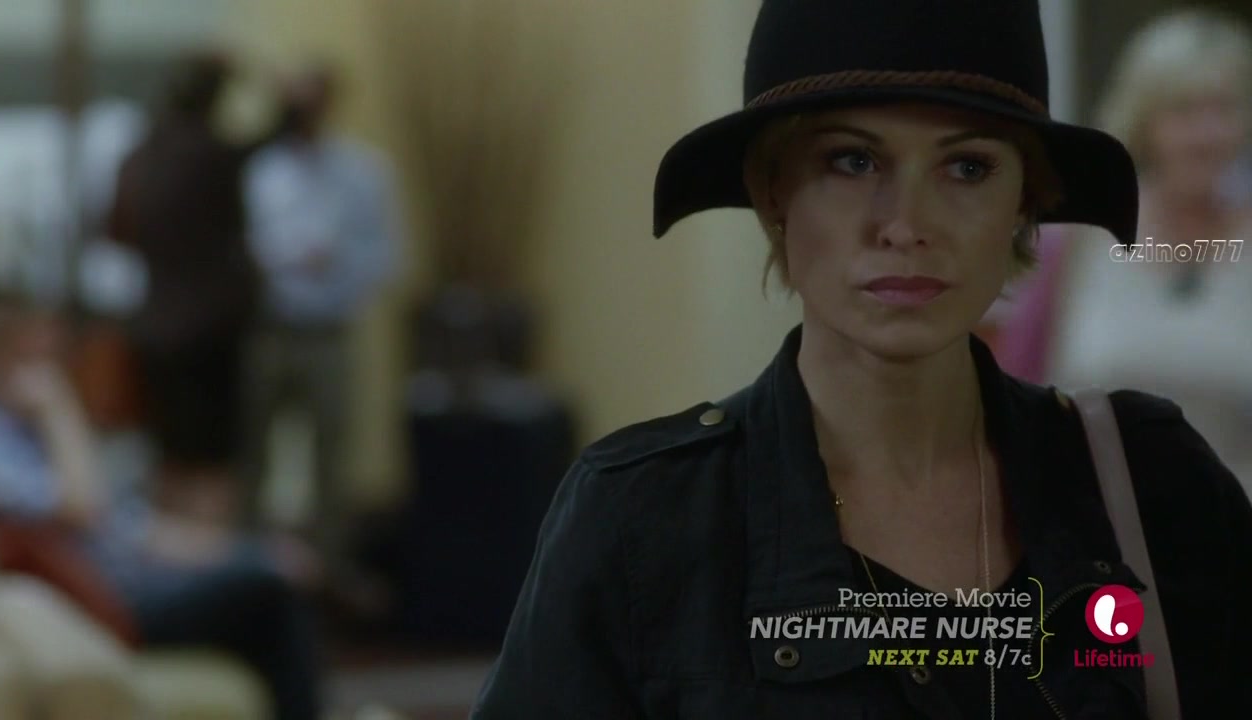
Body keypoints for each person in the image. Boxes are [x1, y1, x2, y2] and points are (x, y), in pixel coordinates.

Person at [471, 1, 1252, 718]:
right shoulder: (647, 521)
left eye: (967, 167)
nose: (906, 224)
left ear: (1025, 203)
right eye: (852, 161)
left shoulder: (1151, 484)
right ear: (773, 190)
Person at [0, 289, 322, 720]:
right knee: (270, 592)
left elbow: (134, 528)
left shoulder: (31, 428)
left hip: (139, 573)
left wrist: (238, 549)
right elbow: (83, 509)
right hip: (106, 599)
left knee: (270, 570)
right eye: (34, 353)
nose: (54, 366)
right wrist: (59, 411)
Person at [1029, 10, 1252, 490]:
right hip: (1090, 521)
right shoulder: (1077, 242)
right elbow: (1019, 397)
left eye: (1224, 109)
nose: (1206, 135)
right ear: (1143, 120)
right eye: (1184, 112)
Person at [242, 61, 400, 565]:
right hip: (267, 329)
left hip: (328, 331)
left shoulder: (362, 171)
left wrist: (337, 268)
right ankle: (250, 562)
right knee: (252, 450)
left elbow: (385, 254)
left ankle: (328, 567)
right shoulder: (259, 169)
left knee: (332, 453)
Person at [107, 51, 266, 524]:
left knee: (171, 450)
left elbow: (115, 229)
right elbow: (275, 135)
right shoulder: (211, 153)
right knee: (211, 454)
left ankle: (177, 544)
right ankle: (205, 552)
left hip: (158, 322)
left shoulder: (141, 156)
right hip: (209, 326)